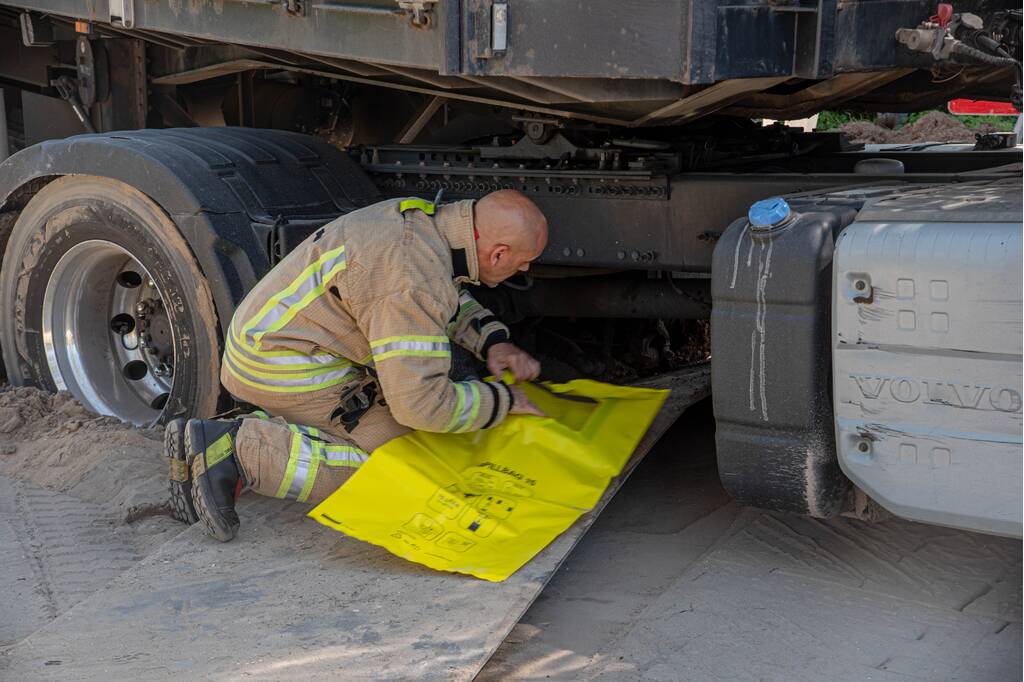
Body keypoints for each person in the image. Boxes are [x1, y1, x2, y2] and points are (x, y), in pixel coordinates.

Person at [166, 190, 549, 541]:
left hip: (269, 342)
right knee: (405, 460)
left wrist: (492, 342)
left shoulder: (422, 224)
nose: (522, 272)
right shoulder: (410, 273)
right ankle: (239, 452)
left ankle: (199, 451)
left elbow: (442, 295)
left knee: (404, 428)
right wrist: (501, 401)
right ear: (497, 254)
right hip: (280, 363)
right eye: (522, 264)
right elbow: (420, 406)